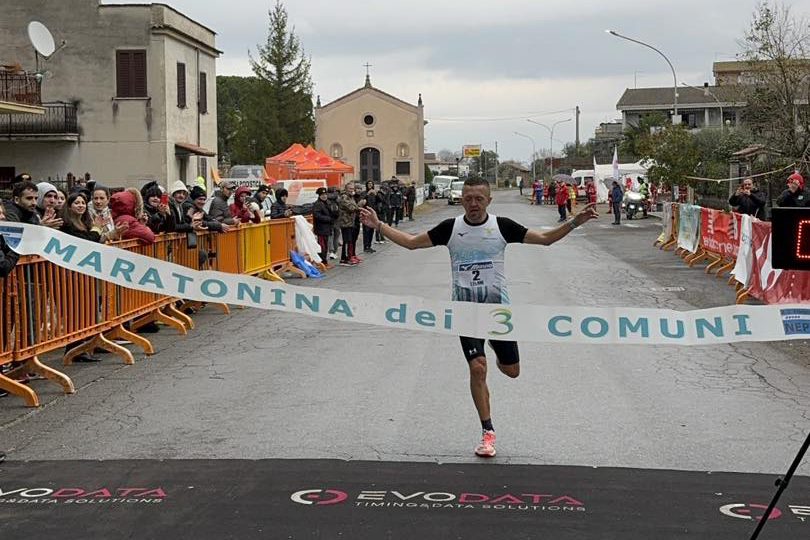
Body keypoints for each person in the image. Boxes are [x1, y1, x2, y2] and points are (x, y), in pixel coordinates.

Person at [359, 177, 599, 457]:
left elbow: (545, 240)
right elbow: (412, 243)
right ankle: (487, 432)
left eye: (479, 199)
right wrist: (379, 226)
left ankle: (498, 350)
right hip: (466, 312)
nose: (473, 204)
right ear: (462, 199)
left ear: (488, 201)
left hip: (498, 312)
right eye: (468, 198)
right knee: (478, 368)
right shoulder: (451, 228)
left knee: (511, 371)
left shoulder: (502, 226)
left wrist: (575, 222)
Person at [338, 182, 361, 266]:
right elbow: (351, 208)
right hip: (345, 222)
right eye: (350, 189)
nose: (352, 190)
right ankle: (347, 258)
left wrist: (356, 207)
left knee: (349, 240)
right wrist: (359, 205)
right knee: (347, 241)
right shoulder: (344, 197)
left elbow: (354, 207)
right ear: (346, 189)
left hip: (350, 222)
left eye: (352, 189)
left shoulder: (351, 197)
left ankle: (346, 257)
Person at [312, 187, 333, 264]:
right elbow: (317, 215)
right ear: (319, 195)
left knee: (325, 246)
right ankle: (321, 262)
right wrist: (328, 219)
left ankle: (324, 261)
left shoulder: (326, 203)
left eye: (325, 194)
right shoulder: (317, 204)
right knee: (322, 246)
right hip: (321, 229)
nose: (324, 196)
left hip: (326, 228)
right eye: (322, 194)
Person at [326, 186, 342, 258]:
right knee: (336, 236)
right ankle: (335, 252)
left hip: (329, 219)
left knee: (330, 236)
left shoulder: (326, 198)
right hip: (337, 219)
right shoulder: (338, 197)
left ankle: (331, 251)